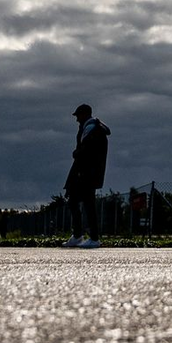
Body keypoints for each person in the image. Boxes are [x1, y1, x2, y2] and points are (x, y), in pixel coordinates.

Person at [63, 104, 111, 248]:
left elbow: (87, 152)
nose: (76, 119)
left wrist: (76, 153)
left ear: (84, 114)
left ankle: (93, 238)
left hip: (86, 173)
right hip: (84, 172)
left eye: (78, 115)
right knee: (75, 201)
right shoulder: (90, 128)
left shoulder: (91, 130)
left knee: (87, 204)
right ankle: (79, 235)